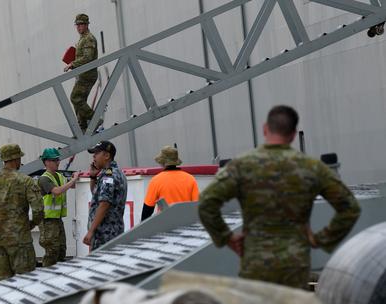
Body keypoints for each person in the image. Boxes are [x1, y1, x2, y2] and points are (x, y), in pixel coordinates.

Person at [198, 105, 361, 289]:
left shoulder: (242, 166)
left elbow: (206, 204)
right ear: (293, 134)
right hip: (295, 264)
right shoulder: (312, 167)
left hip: (255, 262)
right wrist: (321, 239)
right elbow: (350, 207)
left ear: (265, 129)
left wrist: (226, 237)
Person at [0, 144, 43, 280]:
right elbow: (38, 209)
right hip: (21, 241)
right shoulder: (26, 181)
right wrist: (31, 224)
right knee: (24, 283)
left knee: (3, 284)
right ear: (16, 159)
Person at [38, 148, 80, 266]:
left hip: (57, 219)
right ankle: (48, 274)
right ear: (46, 162)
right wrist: (73, 180)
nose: (58, 162)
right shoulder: (44, 178)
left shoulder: (59, 176)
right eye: (54, 160)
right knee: (52, 251)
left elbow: (71, 186)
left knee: (61, 249)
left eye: (58, 159)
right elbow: (56, 191)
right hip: (48, 221)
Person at [83, 141, 127, 250]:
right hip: (110, 234)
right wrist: (93, 177)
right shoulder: (110, 172)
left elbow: (104, 203)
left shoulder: (109, 175)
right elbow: (97, 195)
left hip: (105, 236)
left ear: (107, 156)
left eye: (97, 153)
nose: (94, 156)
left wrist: (91, 231)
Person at [141, 146, 199, 221]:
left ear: (162, 162)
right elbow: (196, 207)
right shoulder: (190, 179)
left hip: (165, 224)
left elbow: (147, 210)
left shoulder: (156, 181)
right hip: (186, 224)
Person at [64, 13, 99, 133]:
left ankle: (94, 119)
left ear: (87, 25)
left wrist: (72, 64)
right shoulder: (82, 39)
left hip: (88, 75)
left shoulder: (88, 38)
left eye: (81, 24)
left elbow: (88, 58)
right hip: (83, 75)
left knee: (75, 98)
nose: (79, 27)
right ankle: (82, 127)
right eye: (77, 25)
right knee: (79, 101)